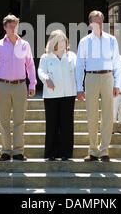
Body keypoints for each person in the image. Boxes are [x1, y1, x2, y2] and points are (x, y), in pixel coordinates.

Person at [0, 14, 36, 162]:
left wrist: (32, 83)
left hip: (20, 86)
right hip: (2, 86)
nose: (13, 29)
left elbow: (30, 65)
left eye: (15, 26)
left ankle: (19, 151)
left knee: (19, 120)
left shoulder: (25, 45)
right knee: (4, 120)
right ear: (5, 27)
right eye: (10, 26)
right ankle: (6, 151)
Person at [76, 10, 121, 162]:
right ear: (90, 23)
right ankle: (93, 149)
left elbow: (116, 62)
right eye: (95, 21)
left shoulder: (112, 40)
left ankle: (104, 150)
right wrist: (79, 87)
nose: (98, 24)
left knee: (108, 114)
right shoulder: (84, 42)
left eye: (100, 21)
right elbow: (79, 65)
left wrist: (117, 83)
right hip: (91, 77)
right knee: (92, 114)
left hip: (108, 77)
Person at [38, 30, 77, 161]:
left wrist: (81, 88)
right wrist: (46, 79)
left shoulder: (71, 56)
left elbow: (78, 72)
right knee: (52, 124)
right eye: (58, 40)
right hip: (51, 95)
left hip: (68, 94)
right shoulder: (46, 57)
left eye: (63, 40)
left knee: (67, 125)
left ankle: (66, 153)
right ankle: (51, 153)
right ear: (52, 42)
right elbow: (41, 71)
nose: (61, 43)